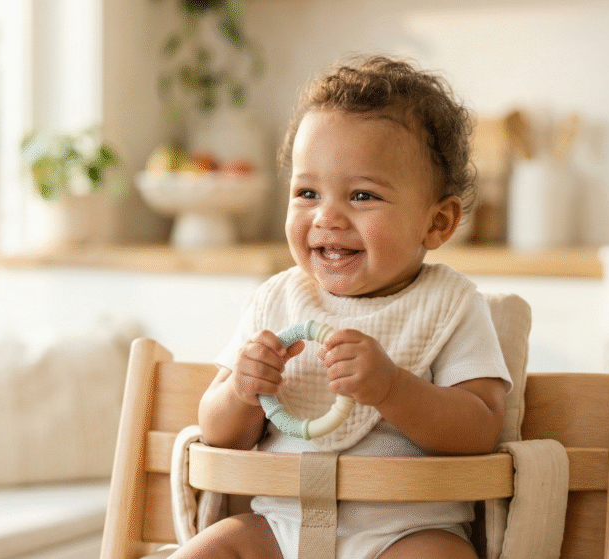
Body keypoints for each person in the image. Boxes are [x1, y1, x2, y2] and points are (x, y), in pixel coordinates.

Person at [173, 55, 512, 559]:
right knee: (216, 548)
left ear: (437, 223)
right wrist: (243, 390)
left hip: (404, 534)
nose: (327, 216)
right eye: (307, 192)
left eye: (362, 195)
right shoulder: (277, 299)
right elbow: (220, 431)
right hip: (278, 528)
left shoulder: (452, 306)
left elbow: (482, 427)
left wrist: (393, 388)